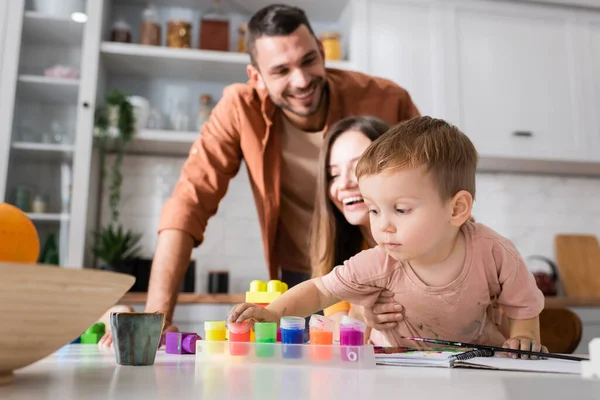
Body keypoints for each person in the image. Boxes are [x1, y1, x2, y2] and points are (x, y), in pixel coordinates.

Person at [99, 4, 419, 346]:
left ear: (322, 52)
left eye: (309, 60)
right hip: (305, 275)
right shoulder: (239, 110)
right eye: (281, 70)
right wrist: (158, 317)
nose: (301, 80)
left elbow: (433, 185)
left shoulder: (386, 99)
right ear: (257, 77)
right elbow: (187, 206)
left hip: (388, 265)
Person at [229, 116, 549, 357]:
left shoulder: (494, 253)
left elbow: (524, 306)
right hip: (402, 369)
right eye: (374, 210)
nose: (383, 226)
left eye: (401, 209)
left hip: (477, 366)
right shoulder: (379, 260)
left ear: (457, 209)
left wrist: (524, 338)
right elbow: (319, 290)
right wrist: (272, 313)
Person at [309, 116, 394, 341]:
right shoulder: (345, 254)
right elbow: (339, 332)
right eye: (333, 175)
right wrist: (362, 312)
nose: (344, 183)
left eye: (358, 169)